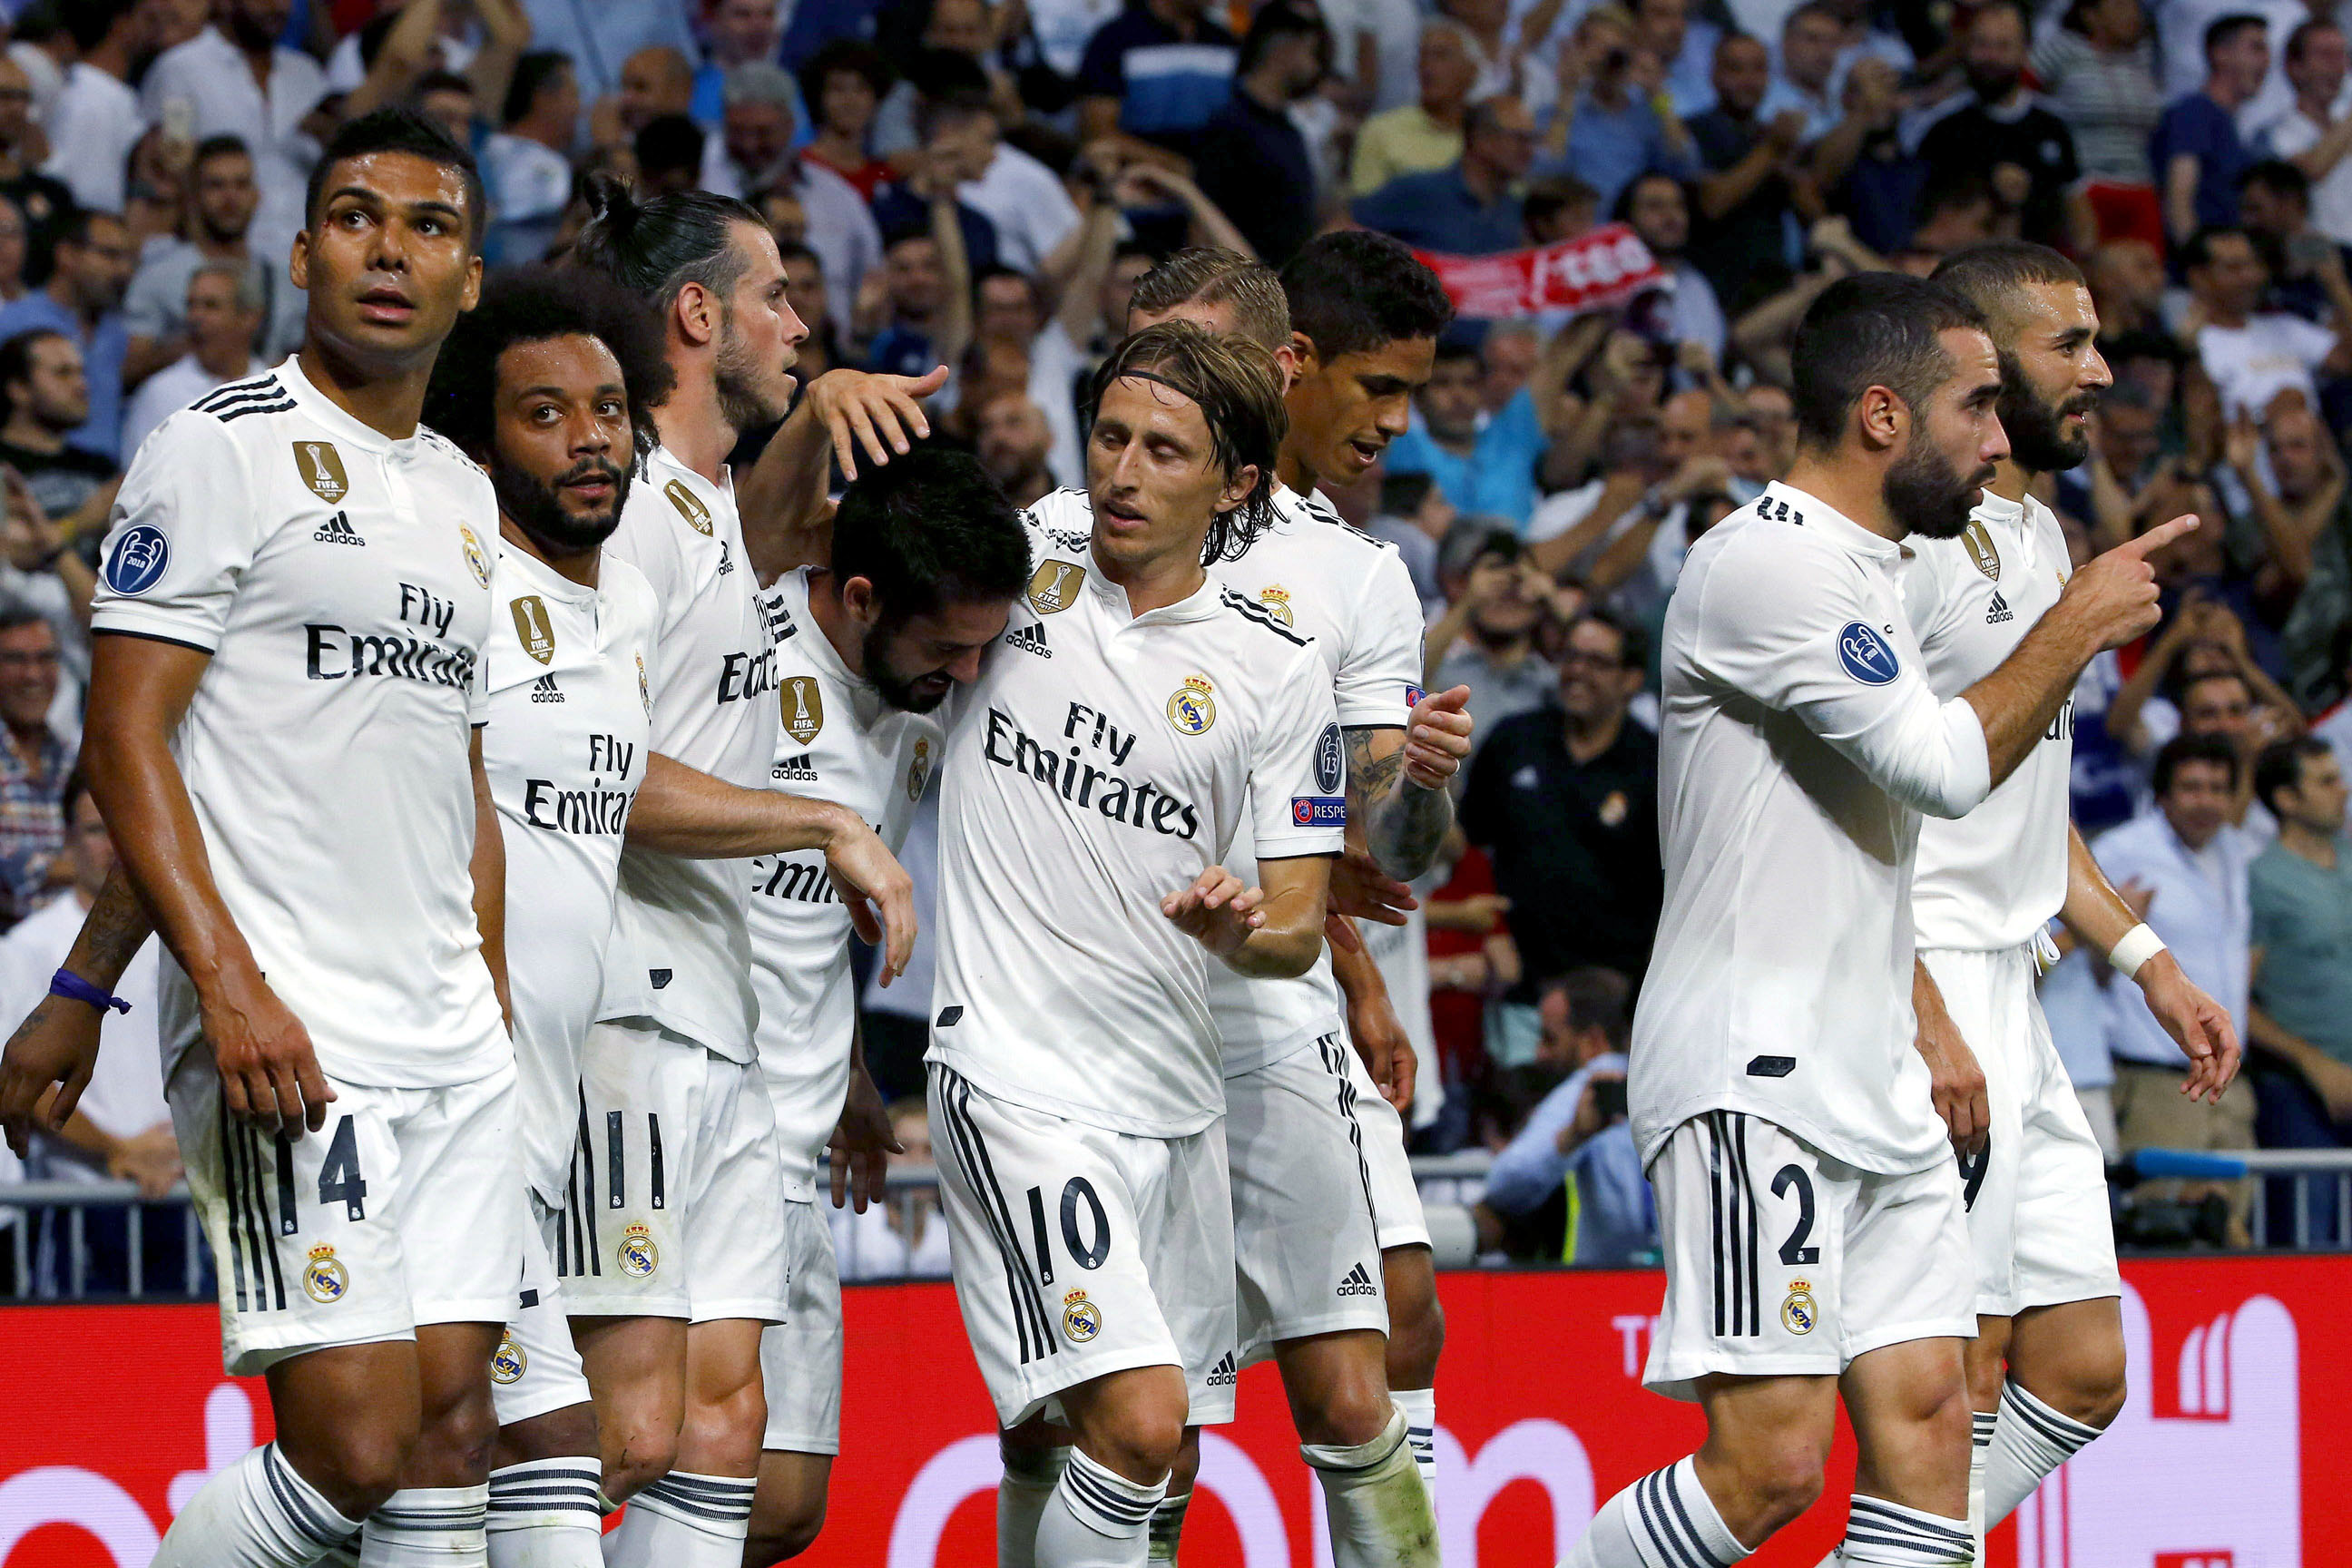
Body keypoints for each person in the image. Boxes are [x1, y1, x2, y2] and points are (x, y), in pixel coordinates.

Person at [1562, 271, 2190, 1568]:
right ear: (1886, 416)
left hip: (1878, 1071)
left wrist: (2132, 952)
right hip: (1759, 1064)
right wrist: (2073, 630)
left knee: (1929, 1426)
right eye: (1978, 407)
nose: (2002, 436)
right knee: (1773, 1470)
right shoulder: (1771, 565)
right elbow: (1947, 769)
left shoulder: (1875, 563)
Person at [0, 106, 515, 1566]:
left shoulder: (468, 496)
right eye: (357, 217)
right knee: (354, 1446)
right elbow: (128, 740)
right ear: (301, 254)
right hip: (287, 1018)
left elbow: (450, 785)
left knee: (452, 1431)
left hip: (450, 1031)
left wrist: (486, 1000)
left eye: (428, 227)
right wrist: (215, 987)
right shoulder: (220, 448)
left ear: (468, 278)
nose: (390, 251)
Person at [918, 322, 1344, 1568]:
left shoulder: (1277, 669)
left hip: (1173, 1103)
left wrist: (1242, 925)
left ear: (1235, 484)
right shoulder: (1020, 553)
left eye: (1164, 450)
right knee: (1140, 1421)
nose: (1122, 471)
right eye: (1110, 436)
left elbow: (1300, 926)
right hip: (1016, 1075)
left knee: (1117, 1448)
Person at [1117, 236, 1470, 1555]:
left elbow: (1383, 835)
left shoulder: (1355, 576)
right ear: (1293, 364)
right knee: (1159, 1400)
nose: (1392, 422)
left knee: (1390, 1325)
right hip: (1123, 1005)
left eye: (1413, 394)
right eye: (1376, 386)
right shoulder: (1100, 523)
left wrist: (1423, 790)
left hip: (1277, 1002)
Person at [1907, 241, 2241, 1556]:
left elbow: (2031, 818)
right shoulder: (1916, 547)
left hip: (2024, 987)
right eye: (2069, 345)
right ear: (1979, 362)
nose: (2100, 370)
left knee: (2088, 1366)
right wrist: (1923, 1005)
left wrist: (2152, 962)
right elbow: (1878, 800)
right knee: (1968, 1367)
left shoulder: (2043, 537)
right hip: (1934, 975)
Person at [740, 449, 1030, 1563]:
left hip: (805, 1138)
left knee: (785, 1507)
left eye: (982, 647)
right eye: (945, 647)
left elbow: (802, 922)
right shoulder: (741, 656)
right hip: (692, 1127)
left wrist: (854, 1076)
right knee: (630, 1453)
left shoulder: (912, 707)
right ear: (860, 597)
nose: (965, 675)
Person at [2090, 736, 2260, 1226]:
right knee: (2164, 1228)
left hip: (2230, 1079)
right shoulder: (2122, 850)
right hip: (2157, 1078)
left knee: (2232, 1232)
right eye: (2191, 788)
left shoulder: (2232, 848)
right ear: (2162, 795)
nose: (2206, 800)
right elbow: (2074, 951)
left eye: (2217, 789)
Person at [1460, 609, 1663, 987]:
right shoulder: (1514, 741)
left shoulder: (1654, 767)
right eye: (1570, 656)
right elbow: (1466, 847)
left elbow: (1665, 891)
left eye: (1598, 662)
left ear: (1631, 679)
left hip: (1609, 998)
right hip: (1514, 988)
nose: (1578, 671)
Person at [1477, 967, 1654, 1265]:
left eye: (1550, 1038)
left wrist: (1572, 1134)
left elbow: (1504, 1183)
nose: (1539, 1054)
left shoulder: (1590, 1085)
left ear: (1593, 1041)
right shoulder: (1670, 1078)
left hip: (1604, 1289)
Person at [2245, 738, 2352, 1222]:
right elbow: (2234, 997)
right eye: (2326, 781)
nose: (2343, 790)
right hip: (2301, 1088)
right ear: (2287, 799)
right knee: (2315, 1229)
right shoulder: (2261, 879)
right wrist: (2313, 1063)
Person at [140, 0, 332, 263]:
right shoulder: (181, 69)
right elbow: (166, 174)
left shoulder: (307, 74)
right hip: (217, 261)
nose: (276, 6)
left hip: (305, 258)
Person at [1913, 1, 2083, 250]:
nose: (1991, 57)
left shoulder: (2053, 126)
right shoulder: (1941, 128)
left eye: (2003, 46)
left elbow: (2077, 214)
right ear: (1965, 47)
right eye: (1981, 44)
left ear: (2026, 51)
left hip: (2044, 266)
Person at [1194, 2, 1328, 270]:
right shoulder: (1229, 126)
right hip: (1244, 287)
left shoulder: (1288, 129)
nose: (1316, 68)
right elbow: (1202, 220)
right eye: (1312, 54)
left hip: (1287, 284)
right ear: (1285, 51)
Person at [0, 211, 135, 462]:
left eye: (129, 258)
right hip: (31, 471)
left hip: (103, 477)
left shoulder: (116, 332)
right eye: (109, 255)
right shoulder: (12, 322)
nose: (123, 270)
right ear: (66, 255)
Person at [2180, 223, 2352, 417]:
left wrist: (2336, 285)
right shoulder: (2192, 344)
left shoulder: (2285, 327)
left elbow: (2347, 360)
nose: (2250, 277)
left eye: (2251, 264)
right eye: (2234, 268)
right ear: (2199, 277)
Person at [1383, 340, 1547, 529]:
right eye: (1442, 383)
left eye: (1469, 383)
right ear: (1418, 397)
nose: (1458, 395)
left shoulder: (1512, 439)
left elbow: (1559, 360)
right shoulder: (1399, 448)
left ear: (1484, 390)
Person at [1351, 93, 1536, 255]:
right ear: (1481, 139)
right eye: (1520, 139)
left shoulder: (1512, 208)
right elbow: (1343, 228)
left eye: (1532, 140)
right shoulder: (1418, 192)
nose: (1529, 151)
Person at [120, 263, 267, 461]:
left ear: (250, 318)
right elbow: (139, 476)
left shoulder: (271, 389)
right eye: (191, 305)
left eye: (210, 305)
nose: (196, 316)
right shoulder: (160, 393)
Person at [1075, 0, 1241, 167]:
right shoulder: (1114, 40)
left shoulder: (1227, 44)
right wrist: (1172, 165)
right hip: (1138, 180)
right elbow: (1098, 132)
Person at [2152, 14, 2269, 242]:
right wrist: (2199, 261)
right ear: (2220, 53)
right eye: (2256, 48)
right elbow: (2179, 201)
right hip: (2205, 264)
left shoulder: (2233, 125)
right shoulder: (2194, 112)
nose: (2266, 60)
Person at [40, 0, 150, 220]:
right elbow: (91, 200)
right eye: (146, 18)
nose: (151, 28)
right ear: (122, 26)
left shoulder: (102, 93)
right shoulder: (92, 99)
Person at [0, 331, 119, 529]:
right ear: (19, 389)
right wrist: (80, 522)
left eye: (81, 373)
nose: (82, 385)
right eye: (63, 373)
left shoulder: (101, 468)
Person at [1348, 20, 1475, 198]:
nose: (1428, 67)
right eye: (1423, 56)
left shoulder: (1488, 136)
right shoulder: (1380, 131)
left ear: (1472, 71)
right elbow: (1362, 213)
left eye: (1441, 56)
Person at [0, 608, 70, 928]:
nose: (32, 675)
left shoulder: (73, 759)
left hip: (71, 950)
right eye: (15, 660)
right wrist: (82, 869)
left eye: (44, 658)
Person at [482, 51, 583, 264]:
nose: (580, 109)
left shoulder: (483, 147)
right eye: (574, 94)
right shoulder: (551, 168)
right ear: (544, 98)